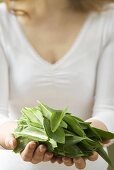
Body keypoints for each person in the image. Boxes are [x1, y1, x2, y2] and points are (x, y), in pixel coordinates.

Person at [0, 0, 114, 169]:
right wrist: (14, 137)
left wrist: (83, 137)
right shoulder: (4, 20)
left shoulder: (107, 18)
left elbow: (109, 109)